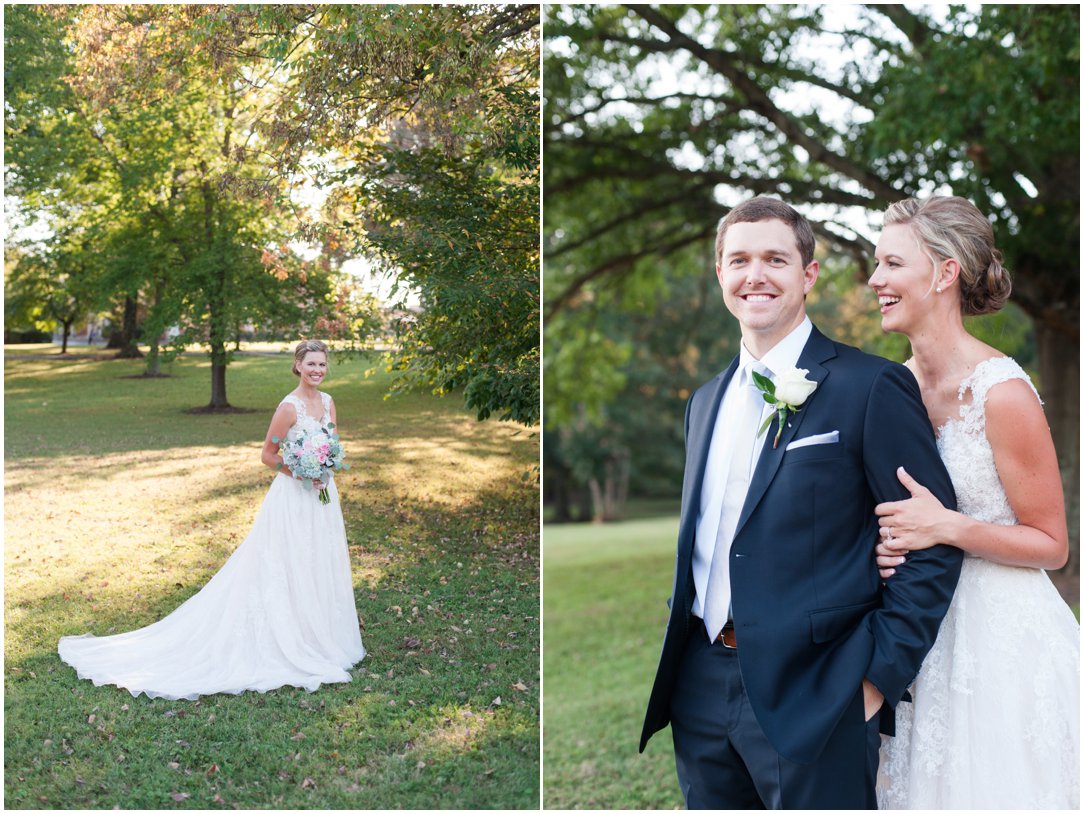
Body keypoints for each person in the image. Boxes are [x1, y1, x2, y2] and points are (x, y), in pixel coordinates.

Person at [639, 196, 964, 809]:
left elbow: (933, 541)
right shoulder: (704, 402)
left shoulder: (871, 386)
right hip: (699, 684)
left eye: (774, 259)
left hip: (820, 690)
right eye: (738, 260)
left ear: (807, 274)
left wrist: (875, 680)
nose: (754, 275)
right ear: (719, 274)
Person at [868, 196, 1080, 809]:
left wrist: (947, 527)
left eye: (890, 263)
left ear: (943, 273)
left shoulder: (1003, 392)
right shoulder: (894, 386)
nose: (875, 280)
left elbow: (1052, 545)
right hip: (915, 635)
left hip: (1000, 643)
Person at [58, 339, 365, 699]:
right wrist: (300, 472)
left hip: (324, 498)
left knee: (318, 562)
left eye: (322, 365)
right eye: (310, 364)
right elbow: (268, 454)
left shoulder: (329, 402)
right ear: (297, 365)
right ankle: (290, 637)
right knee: (288, 563)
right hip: (294, 497)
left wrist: (325, 465)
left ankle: (321, 636)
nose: (317, 370)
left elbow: (332, 443)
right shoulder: (288, 408)